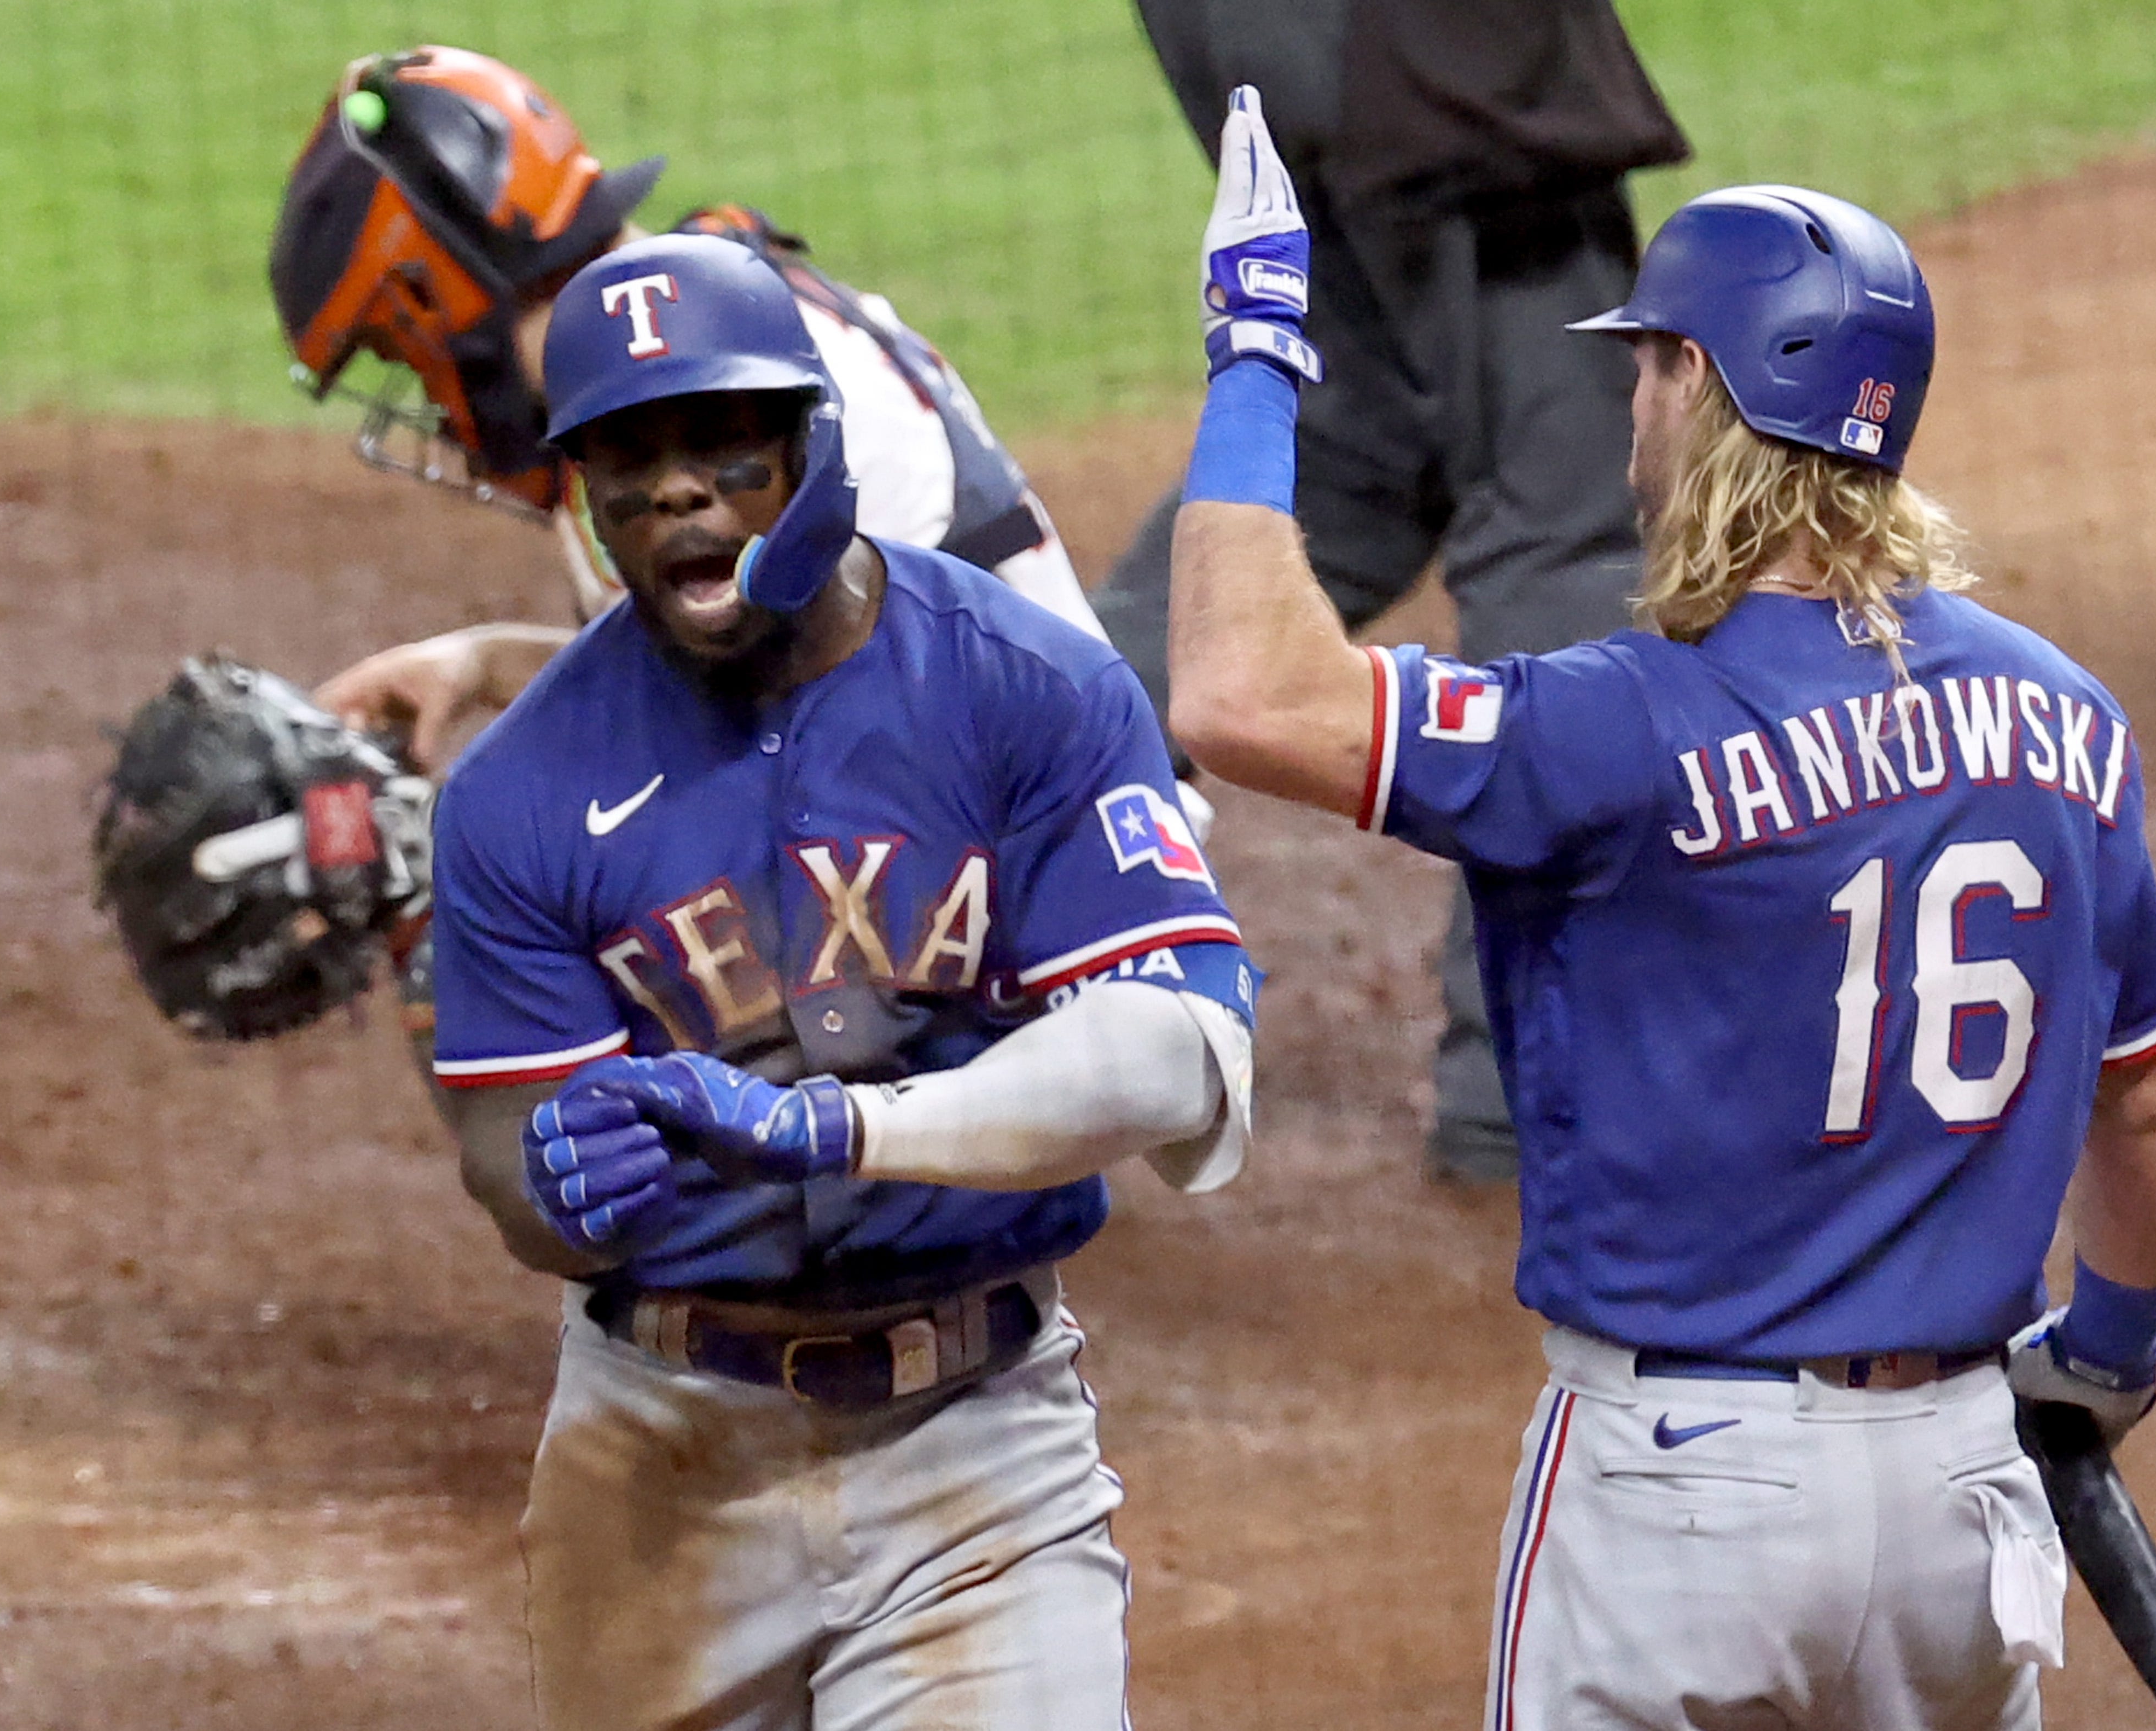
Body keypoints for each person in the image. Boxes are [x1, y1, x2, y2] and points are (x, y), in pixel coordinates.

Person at [1170, 91, 2156, 1728]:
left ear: (1705, 390)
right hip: (1964, 1498)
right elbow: (2145, 1106)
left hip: (1683, 1499)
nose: (1628, 400)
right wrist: (2112, 1355)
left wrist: (1253, 355)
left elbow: (1237, 689)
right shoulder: (2071, 720)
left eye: (1648, 364)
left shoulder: (1612, 723)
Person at [426, 233, 1258, 1729]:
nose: (673, 489)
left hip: (978, 1445)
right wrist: (553, 1179)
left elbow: (1181, 1056)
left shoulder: (1030, 689)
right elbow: (502, 1159)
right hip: (658, 1459)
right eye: (624, 456)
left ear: (819, 442)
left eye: (718, 441)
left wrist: (851, 1129)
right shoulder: (517, 793)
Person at [1094, 0, 1690, 1182]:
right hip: (1412, 50)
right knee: (1566, 519)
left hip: (1276, 40)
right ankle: (1528, 1100)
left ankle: (946, 821)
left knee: (1360, 458)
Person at [268, 45, 1107, 774]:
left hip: (1051, 873)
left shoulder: (754, 394)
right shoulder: (683, 364)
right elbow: (716, 687)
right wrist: (481, 667)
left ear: (446, 302)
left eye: (408, 356)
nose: (438, 410)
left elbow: (802, 738)